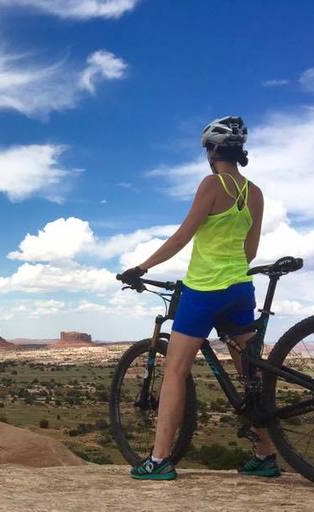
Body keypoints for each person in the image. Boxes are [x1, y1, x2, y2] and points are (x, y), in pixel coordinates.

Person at [119, 116, 279, 480]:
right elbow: (249, 251)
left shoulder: (211, 183)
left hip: (204, 290)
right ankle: (266, 454)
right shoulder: (255, 192)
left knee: (175, 371)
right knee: (250, 375)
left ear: (212, 150)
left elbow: (181, 238)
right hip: (240, 289)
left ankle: (159, 460)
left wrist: (141, 267)